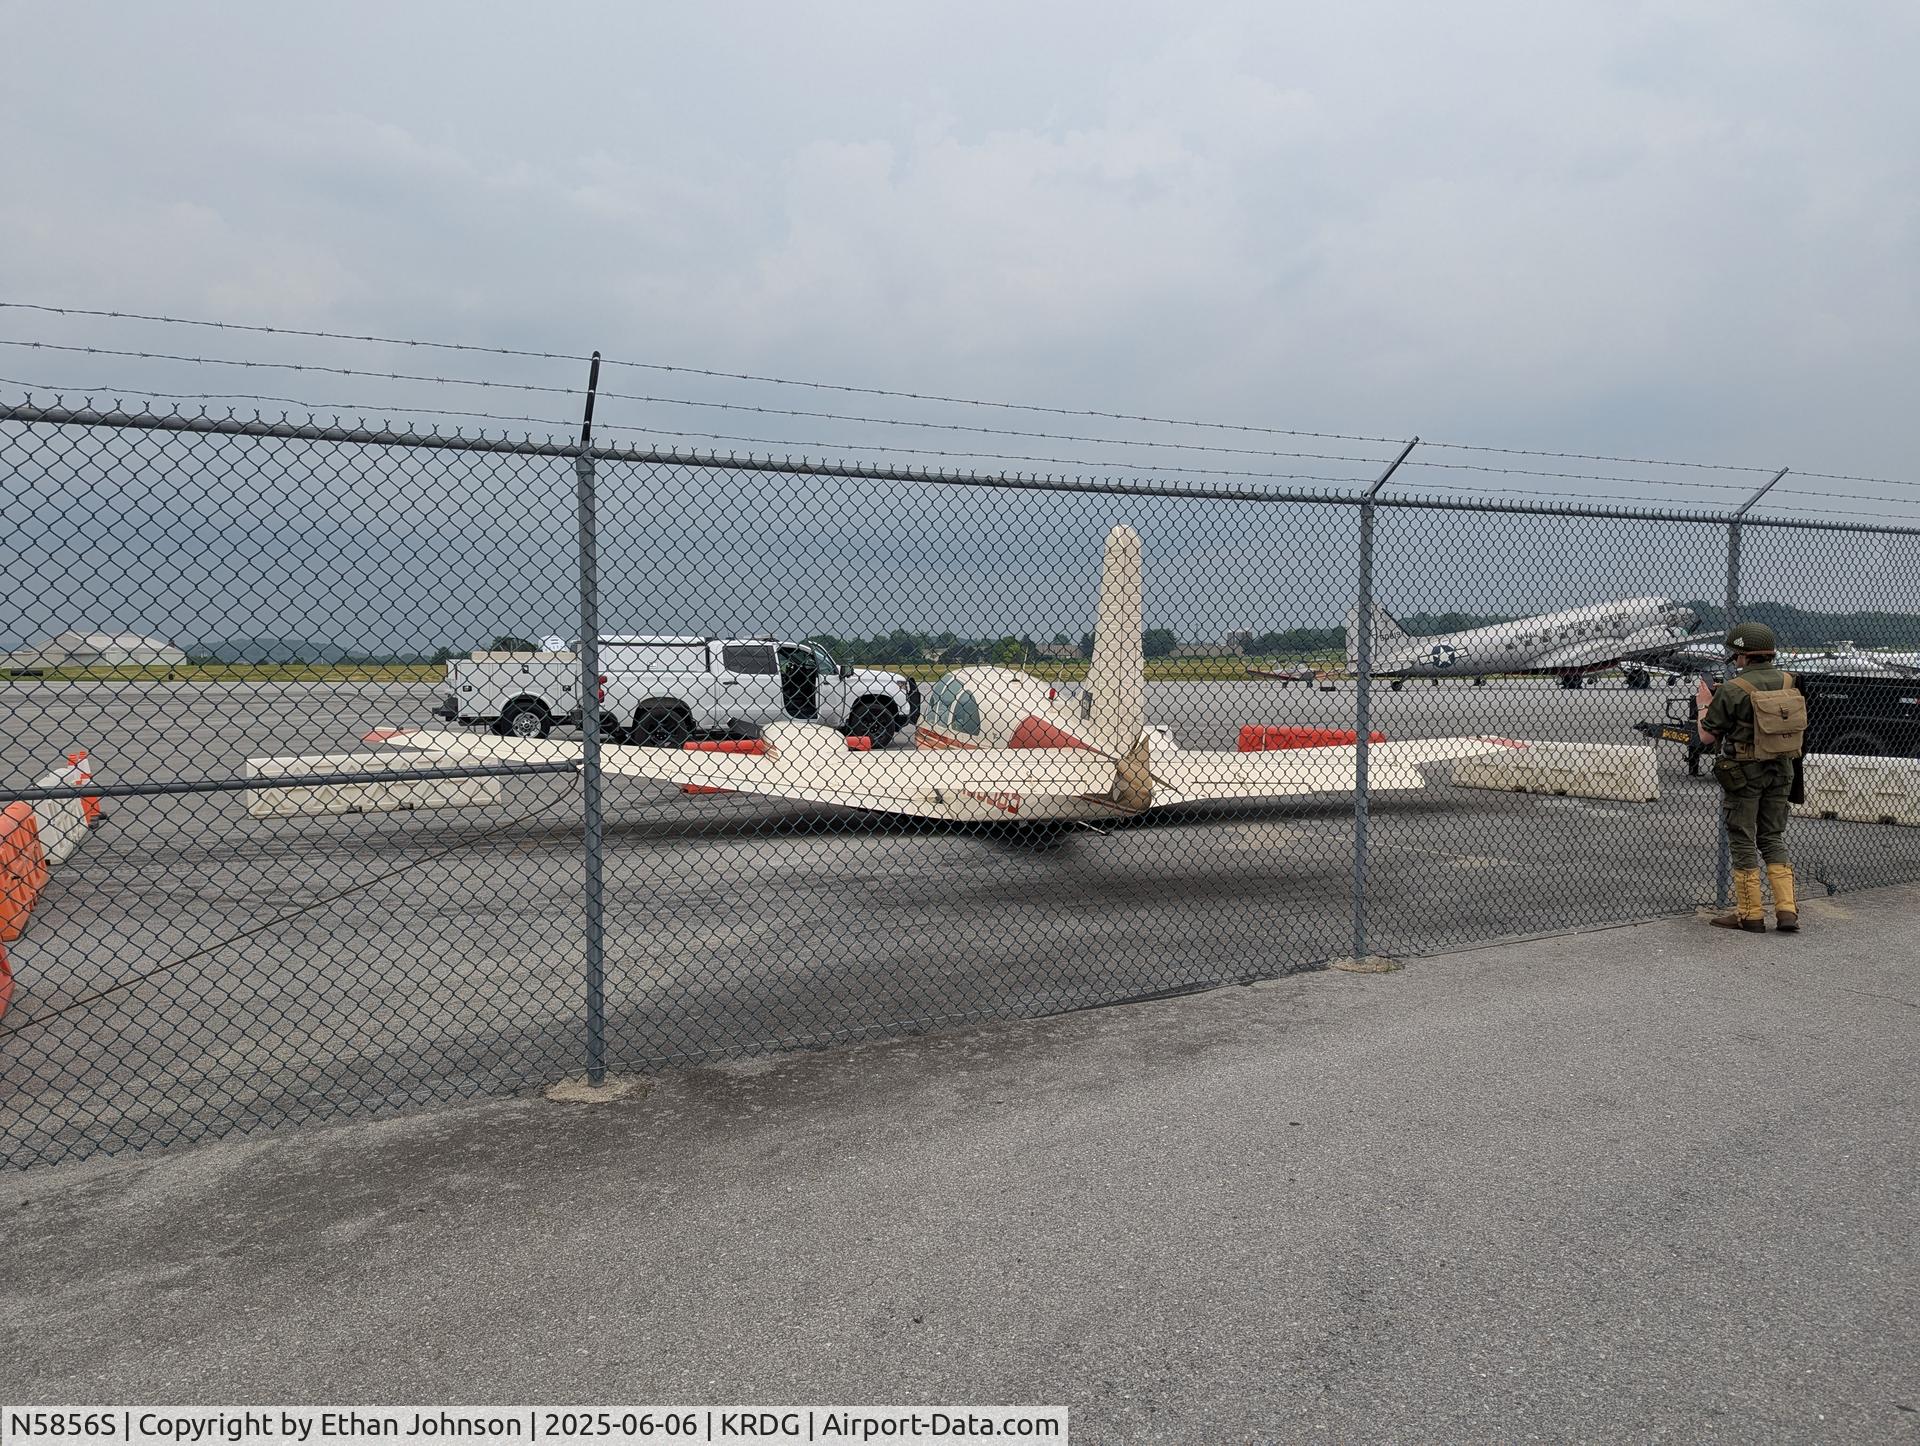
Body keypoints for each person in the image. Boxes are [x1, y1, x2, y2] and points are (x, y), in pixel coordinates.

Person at [1695, 622, 1803, 933]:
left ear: (1742, 656)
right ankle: (1786, 910)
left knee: (1742, 837)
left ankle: (1750, 914)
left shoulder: (1734, 689)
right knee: (1772, 836)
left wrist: (1704, 705)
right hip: (1783, 768)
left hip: (1745, 772)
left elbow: (1706, 736)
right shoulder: (1790, 680)